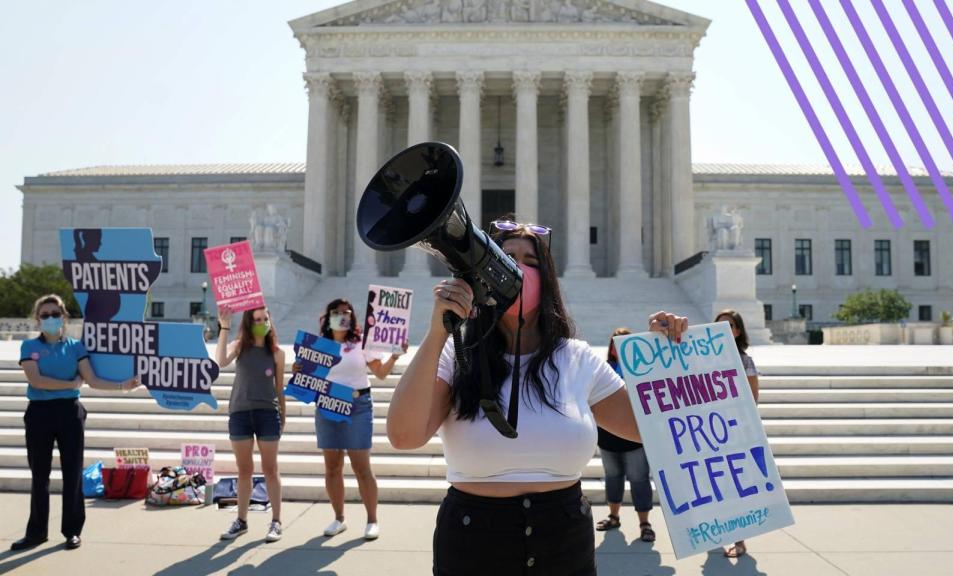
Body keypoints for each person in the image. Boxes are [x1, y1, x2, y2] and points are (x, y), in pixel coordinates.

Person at [388, 218, 688, 576]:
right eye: (504, 257)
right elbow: (404, 436)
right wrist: (440, 331)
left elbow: (650, 428)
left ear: (547, 279)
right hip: (473, 543)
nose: (517, 269)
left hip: (564, 543)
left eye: (530, 262)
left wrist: (663, 360)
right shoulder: (458, 357)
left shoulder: (578, 358)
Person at [13, 294, 139, 552]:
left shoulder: (75, 347)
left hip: (70, 413)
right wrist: (70, 384)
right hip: (39, 413)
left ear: (64, 317)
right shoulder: (29, 348)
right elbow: (36, 381)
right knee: (39, 475)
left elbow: (92, 379)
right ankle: (36, 532)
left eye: (54, 314)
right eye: (45, 315)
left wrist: (122, 386)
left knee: (72, 474)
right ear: (38, 319)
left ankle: (72, 531)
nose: (50, 318)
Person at [294, 298, 407, 541]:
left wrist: (395, 357)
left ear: (353, 317)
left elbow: (381, 373)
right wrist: (298, 372)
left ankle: (372, 520)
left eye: (346, 312)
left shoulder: (362, 343)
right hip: (328, 405)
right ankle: (339, 518)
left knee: (361, 466)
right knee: (332, 466)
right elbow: (307, 377)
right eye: (337, 312)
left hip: (358, 405)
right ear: (329, 316)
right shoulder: (319, 346)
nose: (342, 316)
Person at [215, 306, 286, 543]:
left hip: (267, 414)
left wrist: (282, 416)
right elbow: (221, 361)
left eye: (266, 318)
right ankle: (241, 521)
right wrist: (224, 326)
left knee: (270, 469)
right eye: (258, 319)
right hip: (240, 413)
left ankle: (276, 521)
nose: (263, 322)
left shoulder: (277, 353)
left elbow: (279, 389)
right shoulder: (239, 346)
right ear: (249, 321)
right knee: (244, 470)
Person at [595, 327, 655, 543]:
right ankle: (614, 516)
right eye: (615, 343)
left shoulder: (641, 370)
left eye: (623, 343)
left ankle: (645, 523)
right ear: (611, 348)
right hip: (607, 436)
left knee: (639, 479)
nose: (618, 347)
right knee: (613, 477)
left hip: (633, 436)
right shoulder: (603, 369)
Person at [714, 309, 759, 559]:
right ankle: (716, 531)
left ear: (738, 330)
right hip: (708, 433)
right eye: (718, 326)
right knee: (715, 485)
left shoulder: (745, 362)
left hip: (736, 431)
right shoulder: (701, 360)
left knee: (736, 486)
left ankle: (739, 539)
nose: (723, 330)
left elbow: (752, 400)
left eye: (728, 326)